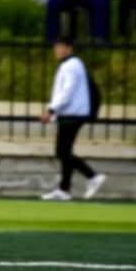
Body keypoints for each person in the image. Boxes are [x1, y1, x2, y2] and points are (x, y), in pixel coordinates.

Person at [40, 36, 105, 202]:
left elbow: (67, 91)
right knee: (65, 151)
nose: (57, 50)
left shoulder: (71, 66)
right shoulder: (71, 64)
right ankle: (64, 189)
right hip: (71, 113)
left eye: (60, 47)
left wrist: (51, 109)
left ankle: (92, 176)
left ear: (69, 48)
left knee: (62, 151)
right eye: (56, 47)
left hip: (72, 114)